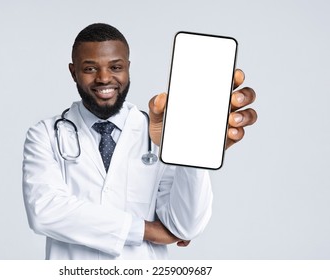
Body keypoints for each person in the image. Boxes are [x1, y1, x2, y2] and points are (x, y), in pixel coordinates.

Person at [22, 23, 257, 260]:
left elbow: (186, 227)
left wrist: (192, 151)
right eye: (90, 68)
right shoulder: (45, 135)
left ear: (128, 68)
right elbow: (45, 211)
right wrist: (145, 230)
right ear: (73, 72)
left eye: (115, 67)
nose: (104, 78)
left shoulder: (159, 134)